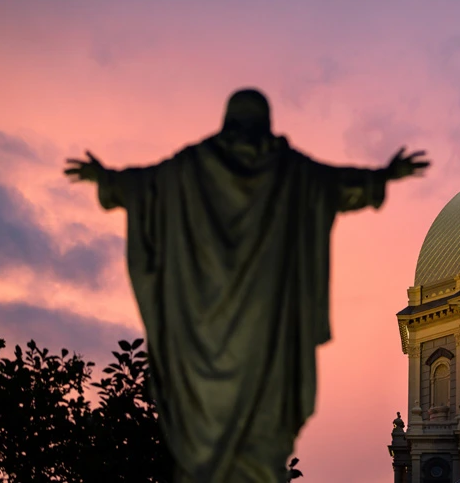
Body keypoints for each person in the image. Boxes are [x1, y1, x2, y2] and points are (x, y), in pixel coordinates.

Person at [64, 89, 429, 483]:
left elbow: (150, 184)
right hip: (238, 319)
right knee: (234, 414)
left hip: (247, 320)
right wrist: (381, 177)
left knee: (257, 417)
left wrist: (109, 180)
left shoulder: (239, 169)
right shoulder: (264, 170)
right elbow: (329, 183)